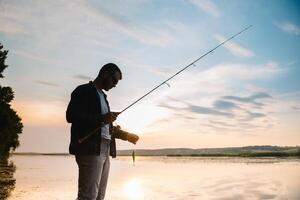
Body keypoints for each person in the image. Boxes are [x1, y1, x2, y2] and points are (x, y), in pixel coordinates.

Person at [66, 63, 139, 200]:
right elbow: (71, 116)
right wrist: (101, 118)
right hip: (89, 149)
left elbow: (106, 126)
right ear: (105, 74)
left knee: (100, 196)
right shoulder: (83, 91)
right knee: (88, 196)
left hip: (104, 149)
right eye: (114, 80)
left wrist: (127, 136)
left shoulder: (104, 98)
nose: (115, 85)